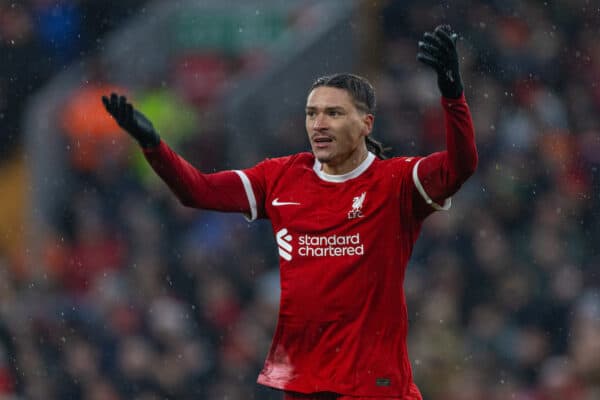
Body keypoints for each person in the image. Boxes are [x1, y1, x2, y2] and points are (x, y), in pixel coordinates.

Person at [102, 25, 477, 400]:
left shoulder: (395, 181)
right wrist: (153, 145)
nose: (319, 124)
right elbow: (196, 190)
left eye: (333, 113)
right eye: (312, 113)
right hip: (303, 382)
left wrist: (452, 96)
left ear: (366, 124)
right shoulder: (282, 176)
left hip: (373, 383)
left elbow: (460, 166)